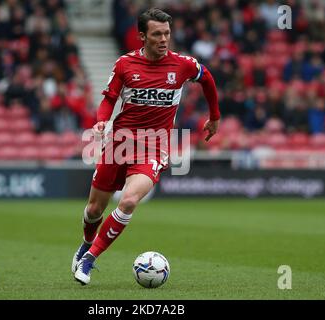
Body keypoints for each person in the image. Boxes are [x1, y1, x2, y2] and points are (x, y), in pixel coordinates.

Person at [72, 8, 221, 285]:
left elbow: (208, 79)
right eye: (156, 34)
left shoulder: (184, 65)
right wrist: (102, 121)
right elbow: (108, 99)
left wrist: (214, 116)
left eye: (167, 33)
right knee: (94, 210)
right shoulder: (125, 65)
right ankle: (85, 244)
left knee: (128, 201)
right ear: (142, 36)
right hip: (119, 143)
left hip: (154, 146)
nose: (163, 39)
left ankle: (89, 260)